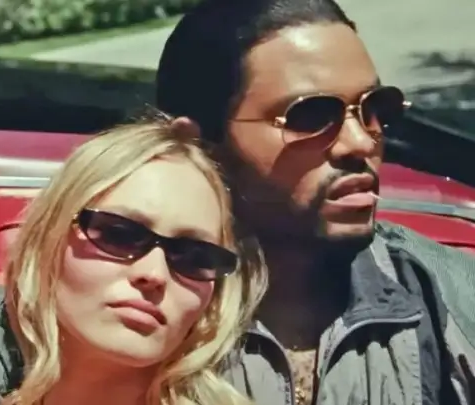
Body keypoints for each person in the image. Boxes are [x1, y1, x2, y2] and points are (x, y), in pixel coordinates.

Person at [155, 0, 475, 404]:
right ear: (200, 147)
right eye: (311, 116)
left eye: (374, 109)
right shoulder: (141, 313)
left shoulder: (451, 295)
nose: (361, 142)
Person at [0, 115, 268, 405]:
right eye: (119, 234)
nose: (154, 274)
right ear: (49, 238)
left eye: (193, 256)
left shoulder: (250, 384)